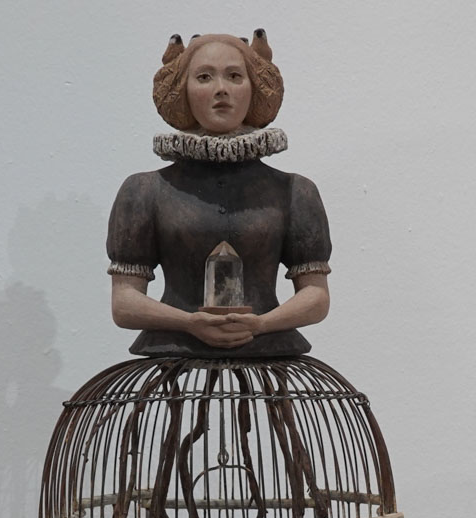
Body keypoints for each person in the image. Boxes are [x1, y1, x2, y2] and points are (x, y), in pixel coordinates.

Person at [106, 30, 331, 358]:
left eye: (235, 76)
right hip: (176, 359)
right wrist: (188, 323)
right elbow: (123, 302)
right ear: (182, 90)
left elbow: (317, 296)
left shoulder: (295, 191)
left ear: (255, 89)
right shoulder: (143, 191)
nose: (221, 89)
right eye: (204, 77)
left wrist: (261, 324)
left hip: (268, 355)